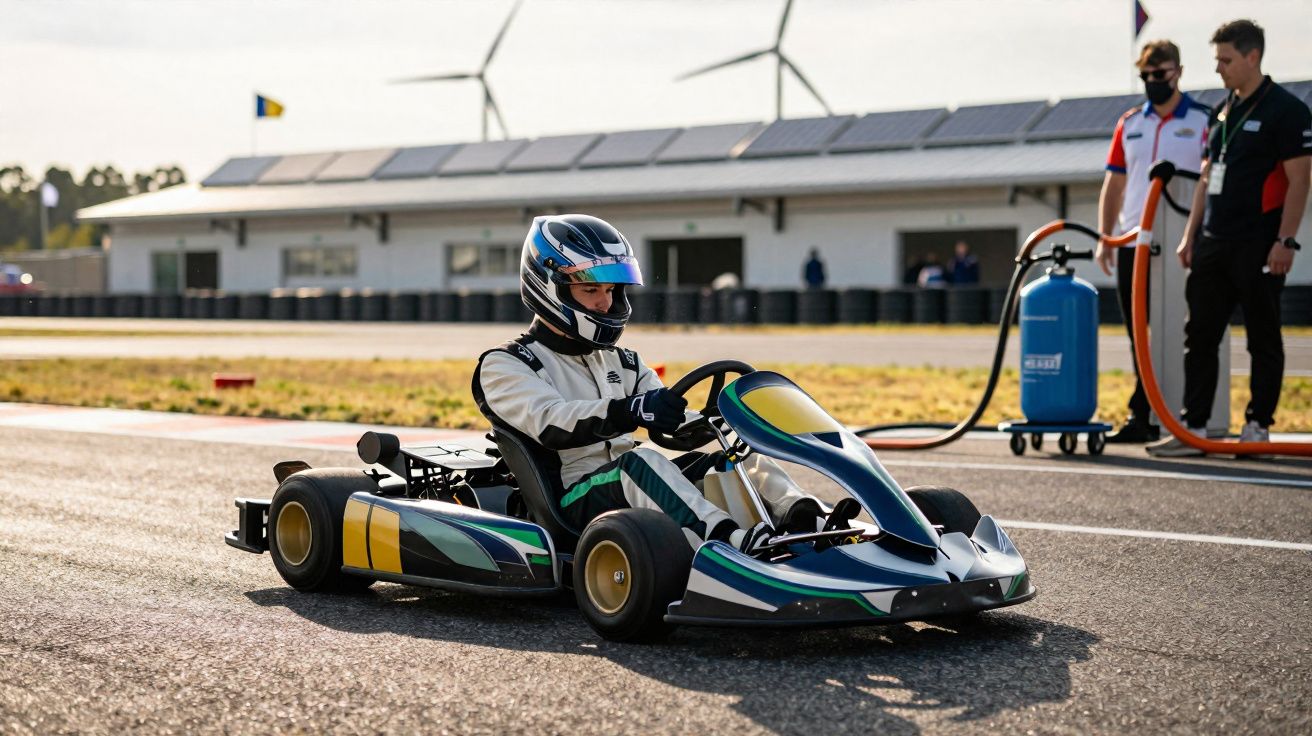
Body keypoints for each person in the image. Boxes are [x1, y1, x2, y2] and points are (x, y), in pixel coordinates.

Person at [473, 214, 827, 555]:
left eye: (611, 289)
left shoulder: (623, 361)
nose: (605, 302)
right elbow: (552, 423)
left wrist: (711, 421)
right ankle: (727, 544)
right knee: (641, 462)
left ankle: (810, 521)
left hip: (632, 485)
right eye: (591, 289)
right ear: (551, 289)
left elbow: (669, 423)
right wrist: (631, 410)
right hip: (570, 501)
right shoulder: (508, 364)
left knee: (733, 460)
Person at [1148, 20, 1310, 457]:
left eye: (1226, 59)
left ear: (1252, 56)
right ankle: (1195, 428)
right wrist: (1189, 236)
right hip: (1214, 242)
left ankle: (1257, 426)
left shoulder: (1287, 111)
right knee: (1199, 334)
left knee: (1262, 335)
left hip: (1259, 242)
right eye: (1217, 59)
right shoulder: (1222, 111)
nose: (1218, 68)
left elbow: (1299, 182)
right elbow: (1205, 178)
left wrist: (1286, 241)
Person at [1095, 39, 1210, 444]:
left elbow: (1212, 182)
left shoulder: (1203, 120)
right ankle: (1142, 412)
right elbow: (1115, 182)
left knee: (1183, 330)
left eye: (1159, 75)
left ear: (1178, 72)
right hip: (1133, 244)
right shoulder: (1130, 123)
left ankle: (1182, 412)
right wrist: (1106, 237)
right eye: (1145, 75)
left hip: (1183, 243)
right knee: (1137, 333)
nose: (1152, 82)